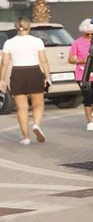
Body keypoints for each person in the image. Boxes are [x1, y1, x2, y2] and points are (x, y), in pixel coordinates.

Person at [1, 17, 52, 145]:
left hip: (18, 73)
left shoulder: (9, 43)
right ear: (29, 27)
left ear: (16, 28)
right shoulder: (37, 41)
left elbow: (4, 63)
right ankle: (36, 125)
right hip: (34, 72)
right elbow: (43, 60)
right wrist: (47, 76)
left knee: (21, 108)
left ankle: (26, 137)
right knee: (38, 104)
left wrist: (1, 79)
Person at [68, 19, 93, 131]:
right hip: (83, 74)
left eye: (92, 32)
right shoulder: (77, 42)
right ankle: (90, 121)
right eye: (87, 33)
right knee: (87, 97)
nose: (90, 35)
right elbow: (70, 59)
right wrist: (82, 60)